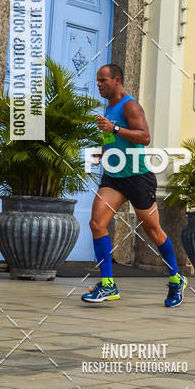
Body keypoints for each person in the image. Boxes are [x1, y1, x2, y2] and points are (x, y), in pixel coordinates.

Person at [81, 63, 187, 307]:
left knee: (153, 232)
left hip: (138, 178)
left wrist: (115, 128)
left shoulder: (130, 105)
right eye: (97, 81)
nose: (98, 85)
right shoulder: (108, 109)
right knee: (97, 223)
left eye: (103, 81)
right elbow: (112, 139)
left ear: (116, 80)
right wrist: (103, 152)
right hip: (114, 176)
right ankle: (108, 285)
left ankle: (175, 279)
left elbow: (145, 136)